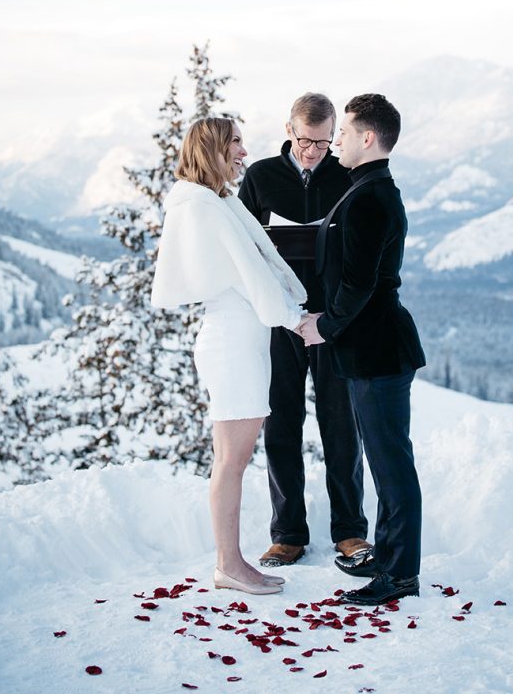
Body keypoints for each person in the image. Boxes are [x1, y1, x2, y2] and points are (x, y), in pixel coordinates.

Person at [151, 117, 307, 596]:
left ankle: (231, 562)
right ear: (213, 149)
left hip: (240, 338)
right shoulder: (204, 208)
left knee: (232, 457)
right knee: (231, 460)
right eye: (235, 142)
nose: (244, 151)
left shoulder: (215, 201)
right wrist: (294, 319)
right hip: (233, 342)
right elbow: (250, 274)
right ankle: (229, 565)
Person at [298, 94, 426, 605]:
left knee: (391, 463)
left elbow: (360, 284)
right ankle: (390, 558)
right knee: (384, 460)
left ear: (368, 139)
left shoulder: (372, 197)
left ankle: (401, 575)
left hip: (378, 350)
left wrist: (324, 326)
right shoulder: (366, 188)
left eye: (345, 135)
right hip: (370, 348)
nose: (337, 144)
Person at [238, 93, 370, 568]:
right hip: (280, 322)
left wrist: (332, 317)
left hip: (332, 322)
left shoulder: (346, 176)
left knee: (341, 425)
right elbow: (242, 249)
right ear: (288, 130)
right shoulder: (260, 179)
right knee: (282, 425)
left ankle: (351, 532)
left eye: (323, 141)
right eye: (305, 140)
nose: (315, 151)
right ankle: (288, 534)